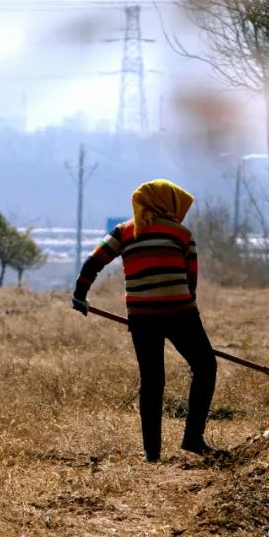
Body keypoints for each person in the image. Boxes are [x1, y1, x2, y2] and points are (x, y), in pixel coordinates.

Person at [71, 179, 218, 463]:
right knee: (205, 366)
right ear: (168, 203)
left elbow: (93, 261)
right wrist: (185, 311)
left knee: (152, 380)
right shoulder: (183, 234)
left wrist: (80, 295)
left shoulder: (125, 231)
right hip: (181, 314)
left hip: (142, 317)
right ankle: (192, 438)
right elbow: (192, 282)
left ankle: (152, 454)